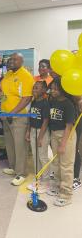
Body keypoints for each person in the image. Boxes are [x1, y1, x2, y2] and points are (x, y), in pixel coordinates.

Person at [1, 53, 34, 186]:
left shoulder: (25, 76)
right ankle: (14, 167)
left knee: (20, 145)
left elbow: (27, 98)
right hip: (5, 115)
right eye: (10, 59)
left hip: (18, 117)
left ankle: (22, 173)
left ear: (21, 61)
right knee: (10, 143)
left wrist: (12, 113)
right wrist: (0, 98)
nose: (11, 61)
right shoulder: (8, 74)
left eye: (15, 59)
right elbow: (5, 94)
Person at [48, 78, 76, 206]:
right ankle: (59, 186)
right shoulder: (53, 101)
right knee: (57, 162)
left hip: (66, 135)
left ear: (62, 90)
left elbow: (69, 126)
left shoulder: (68, 104)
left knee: (66, 165)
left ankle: (66, 194)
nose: (53, 91)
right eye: (52, 88)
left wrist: (63, 144)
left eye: (55, 89)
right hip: (55, 134)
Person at [25, 81, 50, 193]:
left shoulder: (45, 103)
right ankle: (38, 178)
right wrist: (28, 131)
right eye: (33, 88)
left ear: (43, 90)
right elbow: (31, 117)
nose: (34, 90)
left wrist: (40, 138)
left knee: (42, 157)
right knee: (35, 156)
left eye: (37, 88)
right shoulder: (34, 102)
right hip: (33, 131)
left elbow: (45, 121)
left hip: (42, 132)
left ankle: (46, 181)